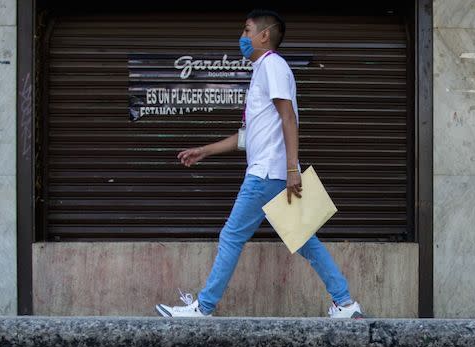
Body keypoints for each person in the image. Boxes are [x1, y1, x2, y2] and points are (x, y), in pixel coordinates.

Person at [155, 9, 364, 319]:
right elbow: (249, 137)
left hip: (267, 173)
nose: (242, 37)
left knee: (231, 236)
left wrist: (293, 168)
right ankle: (346, 304)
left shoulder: (272, 66)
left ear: (264, 35)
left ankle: (204, 307)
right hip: (274, 173)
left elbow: (288, 116)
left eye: (246, 30)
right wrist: (204, 151)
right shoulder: (264, 71)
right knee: (306, 240)